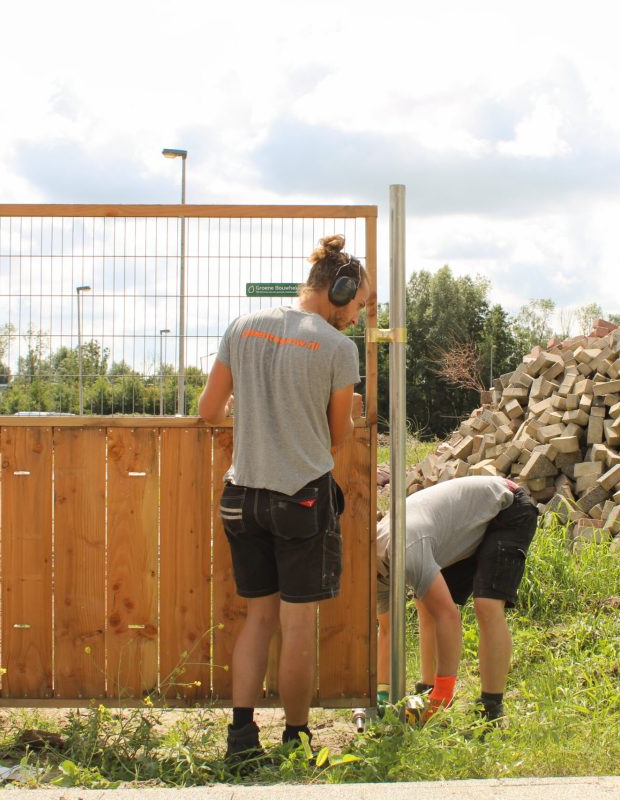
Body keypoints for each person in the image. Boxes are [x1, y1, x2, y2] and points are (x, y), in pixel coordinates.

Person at [199, 234, 368, 764]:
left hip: (241, 496)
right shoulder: (340, 349)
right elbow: (337, 436)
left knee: (257, 620)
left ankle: (241, 740)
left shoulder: (243, 327)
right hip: (301, 499)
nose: (358, 318)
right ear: (338, 291)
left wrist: (260, 415)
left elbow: (209, 411)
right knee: (297, 625)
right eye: (359, 306)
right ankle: (296, 739)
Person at [375, 476, 539, 722]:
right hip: (455, 527)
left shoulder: (405, 551)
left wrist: (444, 694)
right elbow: (387, 630)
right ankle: (426, 690)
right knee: (425, 603)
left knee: (487, 604)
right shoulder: (372, 570)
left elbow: (448, 617)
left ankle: (489, 708)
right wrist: (381, 694)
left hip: (506, 508)